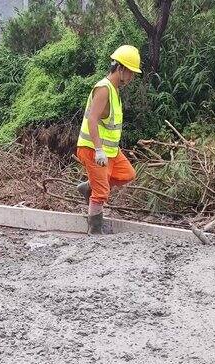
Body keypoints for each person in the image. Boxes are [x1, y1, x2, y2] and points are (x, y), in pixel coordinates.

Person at [75, 45, 142, 234]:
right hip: (92, 148)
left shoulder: (114, 90)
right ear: (120, 69)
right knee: (101, 193)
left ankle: (89, 187)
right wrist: (98, 150)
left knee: (127, 174)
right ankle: (94, 231)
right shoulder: (104, 89)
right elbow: (92, 120)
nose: (132, 78)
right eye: (130, 72)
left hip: (111, 150)